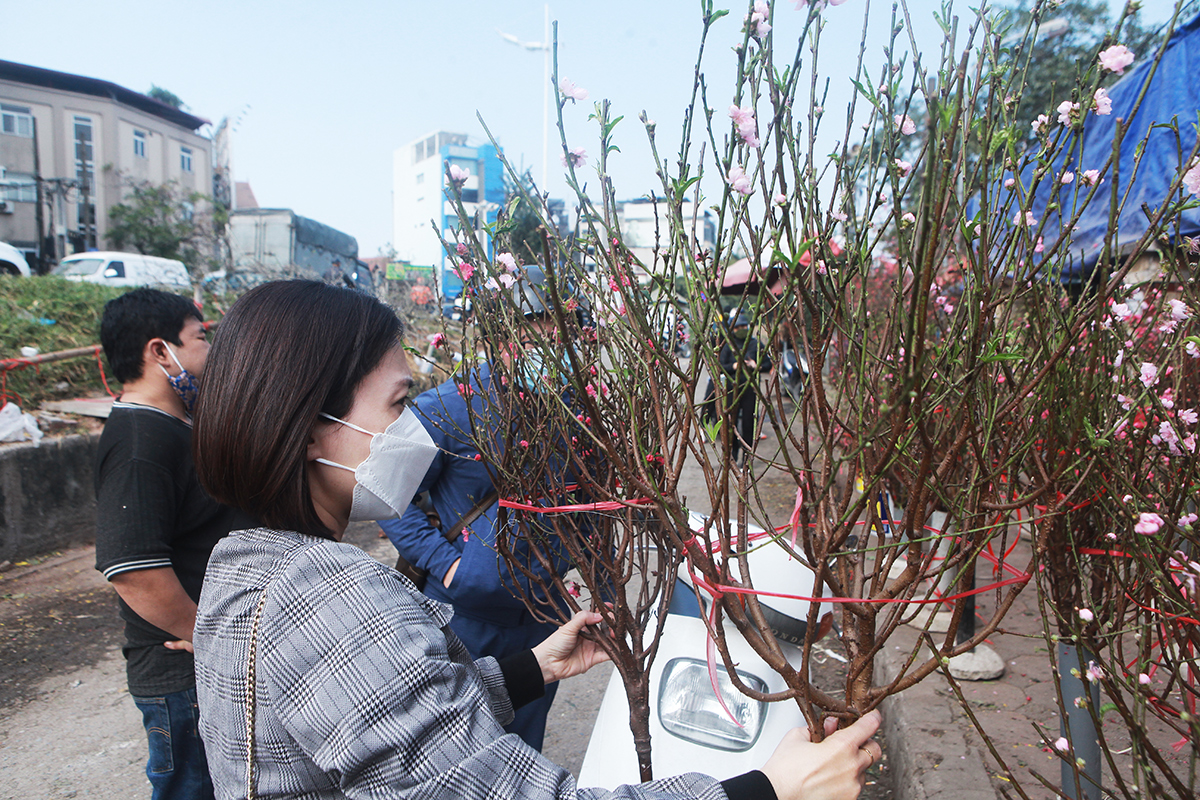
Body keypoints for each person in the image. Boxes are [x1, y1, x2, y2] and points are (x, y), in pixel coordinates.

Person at [190, 279, 881, 800]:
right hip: (481, 600)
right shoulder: (337, 595)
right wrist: (766, 788)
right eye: (398, 404)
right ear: (310, 426)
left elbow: (394, 735)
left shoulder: (245, 566)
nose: (408, 425)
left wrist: (531, 669)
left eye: (570, 327)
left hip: (536, 609)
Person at [378, 267, 571, 751]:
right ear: (496, 335)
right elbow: (387, 495)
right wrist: (450, 568)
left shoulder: (575, 406)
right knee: (462, 748)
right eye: (531, 327)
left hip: (543, 613)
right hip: (465, 621)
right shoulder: (447, 408)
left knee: (526, 747)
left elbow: (591, 499)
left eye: (556, 326)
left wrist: (605, 586)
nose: (546, 339)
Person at [93, 288, 253, 800]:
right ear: (160, 351)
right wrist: (210, 638)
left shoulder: (178, 425)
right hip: (183, 675)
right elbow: (132, 569)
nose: (209, 348)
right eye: (199, 337)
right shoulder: (140, 442)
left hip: (205, 665)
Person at [719, 312, 773, 464]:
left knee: (749, 424)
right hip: (731, 390)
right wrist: (734, 366)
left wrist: (757, 366)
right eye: (738, 327)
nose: (741, 329)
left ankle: (747, 459)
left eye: (744, 326)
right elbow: (720, 367)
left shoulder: (755, 344)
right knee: (731, 424)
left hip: (750, 389)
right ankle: (732, 456)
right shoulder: (728, 344)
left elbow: (768, 364)